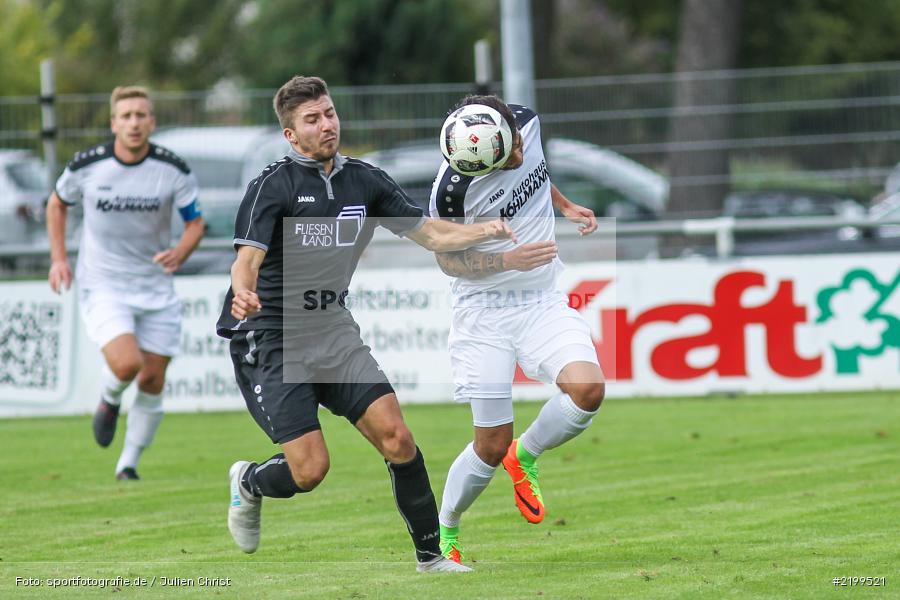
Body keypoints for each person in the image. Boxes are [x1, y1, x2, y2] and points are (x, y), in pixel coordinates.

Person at [216, 76, 515, 573]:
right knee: (310, 470)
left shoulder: (365, 181)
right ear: (291, 135)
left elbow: (431, 233)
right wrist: (243, 289)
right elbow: (247, 258)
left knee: (398, 438)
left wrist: (482, 230)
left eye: (329, 113)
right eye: (312, 119)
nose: (327, 124)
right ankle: (249, 481)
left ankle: (430, 558)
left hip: (332, 329)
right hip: (271, 337)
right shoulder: (273, 186)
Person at [429, 95, 606, 565]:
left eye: (513, 146)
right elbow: (446, 260)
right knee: (489, 444)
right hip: (483, 313)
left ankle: (524, 456)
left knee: (587, 390)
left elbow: (536, 173)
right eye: (505, 159)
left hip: (540, 300)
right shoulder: (451, 192)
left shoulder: (525, 122)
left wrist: (564, 205)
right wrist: (505, 260)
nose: (518, 156)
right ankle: (445, 532)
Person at [46, 86, 204, 480]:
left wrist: (180, 253)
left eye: (141, 115)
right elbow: (57, 203)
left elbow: (195, 222)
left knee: (153, 377)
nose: (134, 123)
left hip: (156, 286)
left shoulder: (173, 169)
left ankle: (128, 463)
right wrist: (59, 258)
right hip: (104, 284)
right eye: (126, 115)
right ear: (114, 123)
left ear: (152, 122)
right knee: (127, 363)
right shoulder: (88, 165)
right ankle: (109, 397)